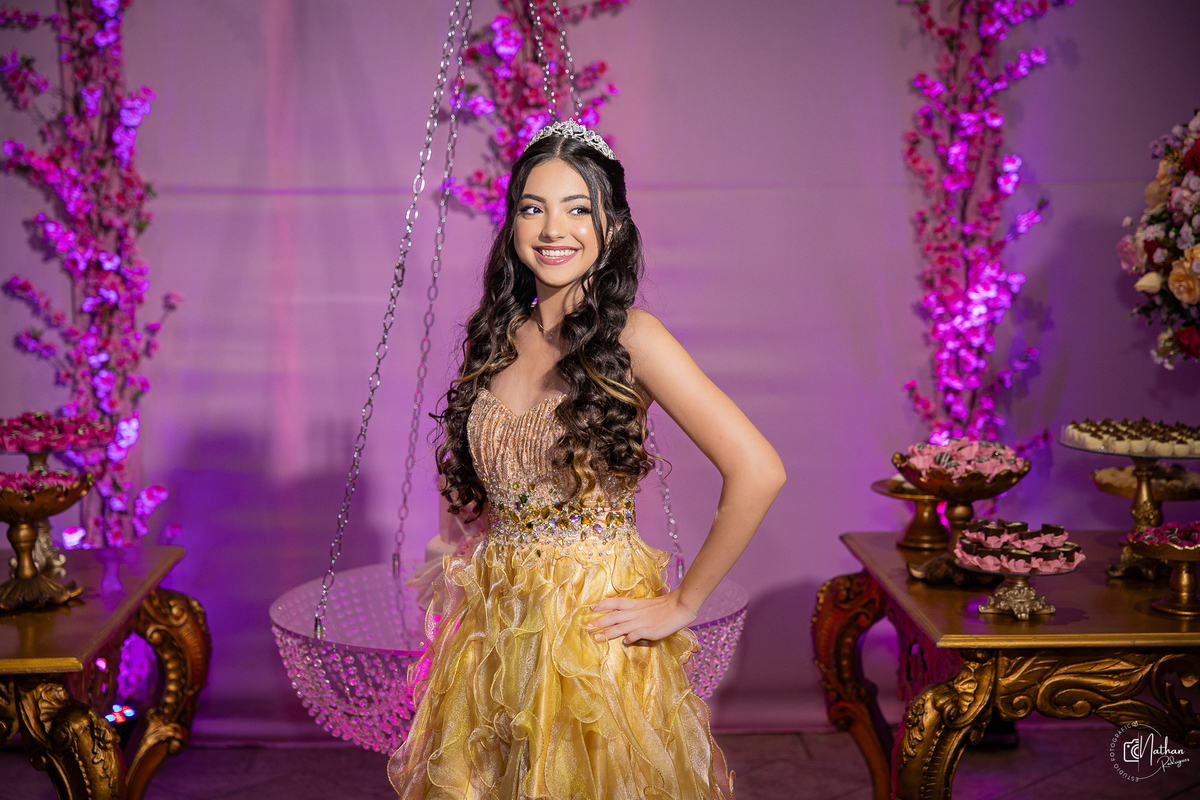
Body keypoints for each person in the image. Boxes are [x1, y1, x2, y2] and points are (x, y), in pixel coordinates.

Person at [388, 120, 785, 799]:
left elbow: (758, 470)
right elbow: (477, 476)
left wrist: (683, 602)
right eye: (533, 208)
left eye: (578, 209)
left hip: (589, 626)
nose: (553, 229)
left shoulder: (634, 337)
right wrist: (452, 557)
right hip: (494, 623)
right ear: (513, 225)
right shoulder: (496, 335)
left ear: (614, 227)